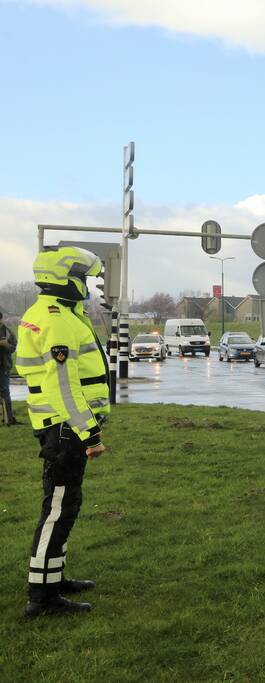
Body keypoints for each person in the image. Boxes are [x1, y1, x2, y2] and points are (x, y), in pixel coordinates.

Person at [15, 246, 111, 616]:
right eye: (84, 279)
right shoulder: (57, 320)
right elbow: (64, 388)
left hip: (59, 426)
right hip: (65, 429)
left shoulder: (55, 313)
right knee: (58, 507)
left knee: (64, 503)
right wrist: (90, 433)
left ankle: (52, 579)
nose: (87, 286)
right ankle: (42, 597)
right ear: (66, 279)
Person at [0, 307, 18, 425]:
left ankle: (9, 420)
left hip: (4, 367)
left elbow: (13, 348)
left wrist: (6, 345)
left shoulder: (8, 332)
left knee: (5, 392)